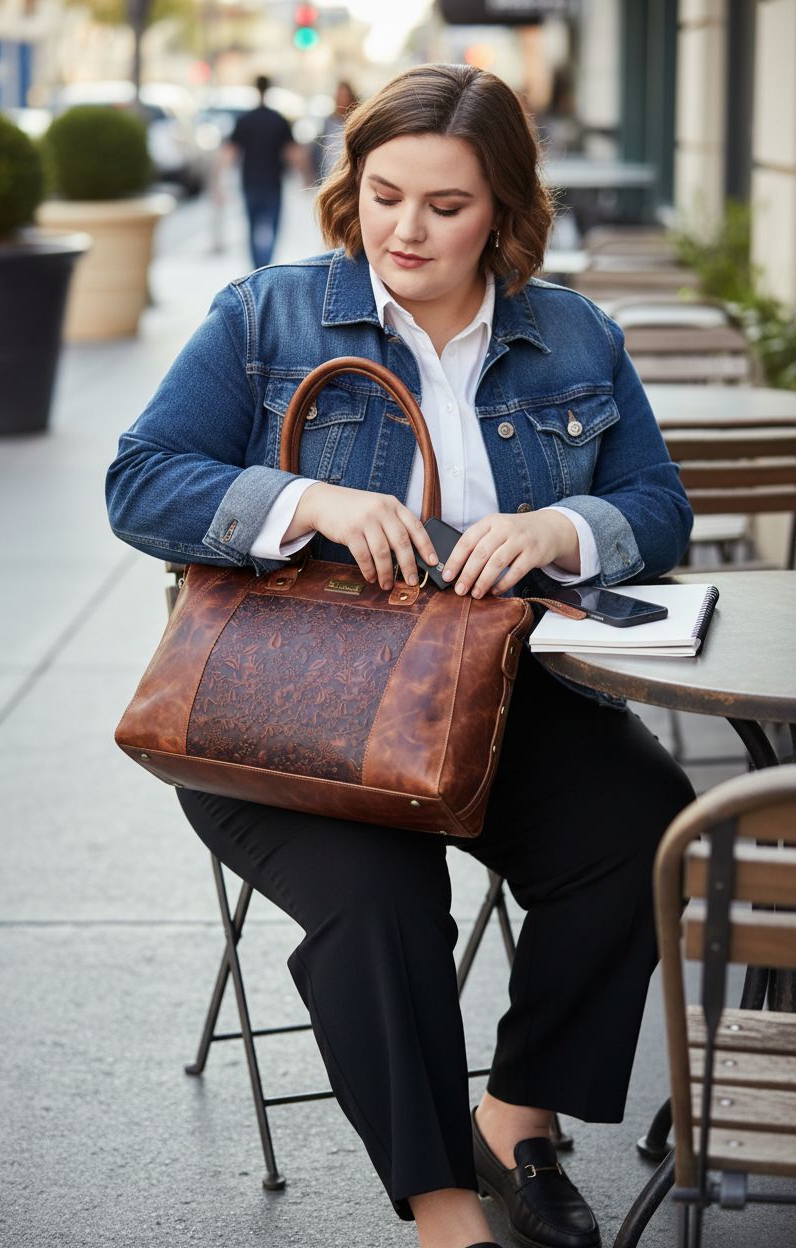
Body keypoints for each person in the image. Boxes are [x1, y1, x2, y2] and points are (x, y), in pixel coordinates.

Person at [106, 63, 695, 1248]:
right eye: (383, 196)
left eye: (445, 205)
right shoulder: (266, 315)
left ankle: (512, 1124)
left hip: (491, 702)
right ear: (352, 188)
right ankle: (443, 1213)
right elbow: (140, 480)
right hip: (285, 720)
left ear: (505, 211)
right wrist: (307, 501)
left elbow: (657, 502)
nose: (405, 230)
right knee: (379, 902)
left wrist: (562, 528)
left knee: (647, 824)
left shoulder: (571, 332)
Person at [224, 74, 300, 268]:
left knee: (251, 227)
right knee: (273, 228)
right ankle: (266, 264)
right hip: (273, 182)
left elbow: (230, 152)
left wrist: (218, 181)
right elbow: (292, 152)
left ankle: (257, 266)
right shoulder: (278, 120)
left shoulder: (245, 120)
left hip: (250, 182)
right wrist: (307, 175)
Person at [316, 79, 358, 180]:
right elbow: (320, 146)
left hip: (349, 175)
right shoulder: (328, 121)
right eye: (339, 96)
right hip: (328, 175)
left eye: (345, 96)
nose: (342, 99)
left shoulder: (357, 120)